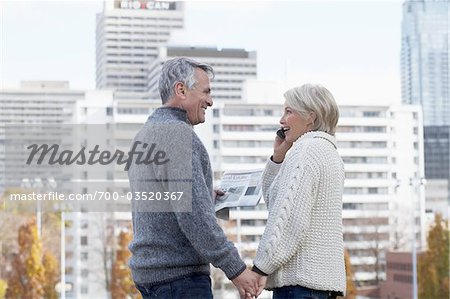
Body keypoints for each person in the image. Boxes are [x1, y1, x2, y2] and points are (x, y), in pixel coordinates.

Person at [127, 57, 257, 299]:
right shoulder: (177, 135)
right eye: (206, 91)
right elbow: (193, 216)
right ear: (181, 90)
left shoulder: (146, 133)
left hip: (155, 278)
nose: (210, 100)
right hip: (179, 281)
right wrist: (237, 270)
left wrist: (204, 193)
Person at [250, 84, 346, 299]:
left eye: (288, 111)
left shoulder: (305, 150)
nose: (281, 120)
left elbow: (288, 218)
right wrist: (278, 158)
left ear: (310, 117)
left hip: (299, 286)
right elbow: (277, 201)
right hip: (320, 287)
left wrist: (260, 268)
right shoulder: (329, 152)